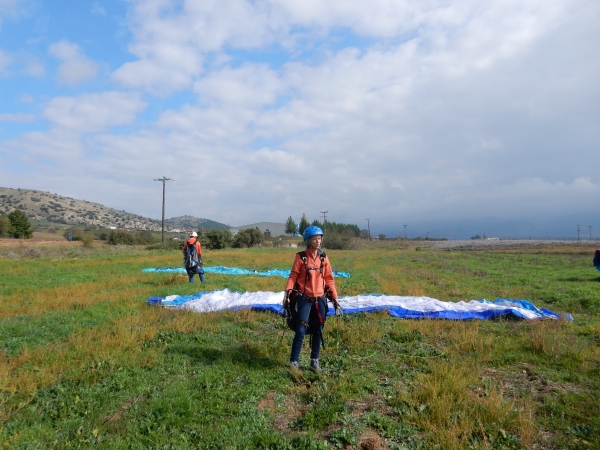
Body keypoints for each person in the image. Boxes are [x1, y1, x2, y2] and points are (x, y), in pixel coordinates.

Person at [283, 226, 341, 371]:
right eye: (315, 239)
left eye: (319, 238)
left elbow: (329, 279)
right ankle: (294, 362)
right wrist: (287, 293)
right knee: (300, 330)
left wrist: (335, 298)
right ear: (308, 241)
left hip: (320, 300)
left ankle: (314, 361)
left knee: (318, 330)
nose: (318, 241)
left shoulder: (323, 257)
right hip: (305, 300)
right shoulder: (301, 257)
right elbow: (293, 276)